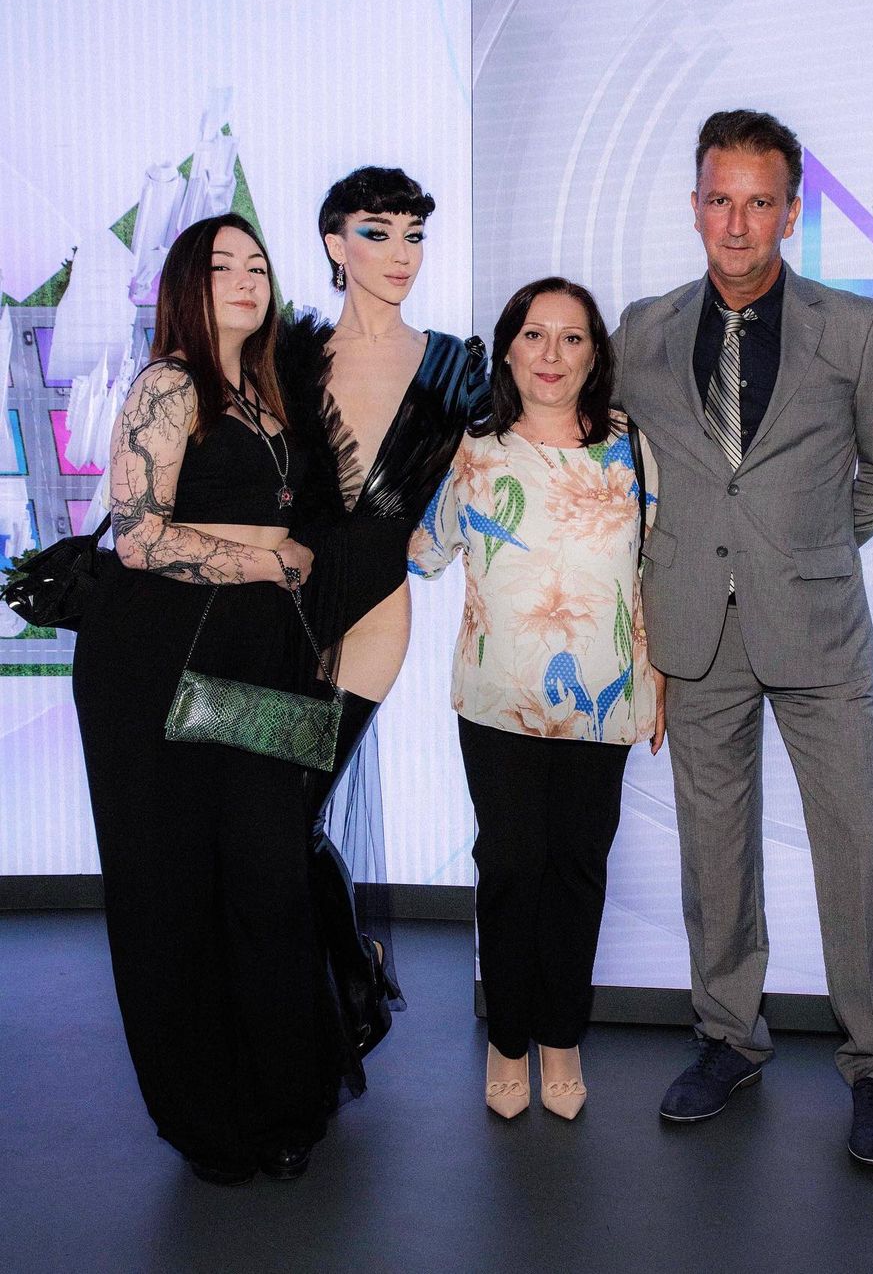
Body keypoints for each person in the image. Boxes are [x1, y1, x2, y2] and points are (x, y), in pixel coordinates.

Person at [611, 110, 873, 1165]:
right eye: (720, 199)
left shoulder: (853, 329)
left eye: (760, 202)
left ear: (793, 212)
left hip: (818, 628)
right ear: (695, 205)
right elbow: (614, 469)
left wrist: (808, 546)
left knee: (853, 846)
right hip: (694, 630)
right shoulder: (643, 331)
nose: (738, 223)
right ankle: (728, 1039)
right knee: (714, 851)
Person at [72, 213, 358, 1186]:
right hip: (161, 667)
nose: (245, 278)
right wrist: (270, 560)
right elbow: (137, 537)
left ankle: (283, 1100)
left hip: (259, 660)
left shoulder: (271, 392)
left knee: (269, 876)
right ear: (185, 286)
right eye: (222, 264)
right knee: (176, 890)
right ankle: (210, 1121)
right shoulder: (168, 383)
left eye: (258, 264)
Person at [410, 277, 665, 1120]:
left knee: (578, 870)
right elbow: (422, 552)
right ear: (509, 349)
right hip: (499, 699)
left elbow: (657, 569)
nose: (551, 354)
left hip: (605, 696)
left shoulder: (632, 447)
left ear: (595, 356)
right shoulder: (472, 451)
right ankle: (508, 1038)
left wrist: (660, 674)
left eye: (572, 338)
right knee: (512, 865)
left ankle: (561, 1037)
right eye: (533, 335)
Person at [277, 167, 488, 1036]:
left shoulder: (453, 367)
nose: (401, 253)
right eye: (377, 233)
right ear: (336, 244)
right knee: (268, 814)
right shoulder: (287, 358)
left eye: (413, 235)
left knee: (294, 807)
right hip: (279, 608)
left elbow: (515, 461)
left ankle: (350, 990)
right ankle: (340, 970)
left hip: (372, 612)